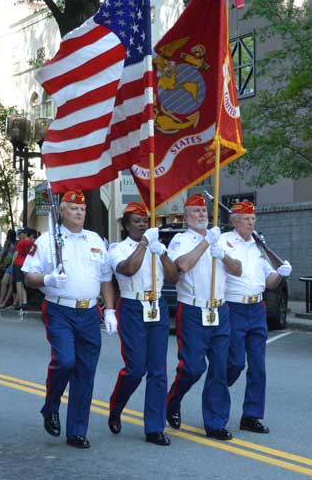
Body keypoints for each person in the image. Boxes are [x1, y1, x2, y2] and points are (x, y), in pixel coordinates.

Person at [23, 190, 116, 449]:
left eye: (82, 209)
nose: (79, 212)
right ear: (61, 211)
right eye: (73, 208)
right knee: (65, 362)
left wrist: (110, 310)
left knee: (85, 373)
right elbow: (29, 277)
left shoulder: (96, 240)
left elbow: (106, 278)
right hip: (59, 310)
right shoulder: (46, 240)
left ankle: (77, 431)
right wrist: (47, 279)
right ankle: (51, 405)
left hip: (88, 312)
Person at [165, 194, 241, 442]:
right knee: (193, 367)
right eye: (196, 211)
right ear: (186, 216)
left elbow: (238, 270)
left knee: (220, 368)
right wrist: (205, 243)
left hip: (219, 310)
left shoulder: (220, 238)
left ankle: (216, 422)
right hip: (193, 310)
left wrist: (223, 254)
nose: (202, 214)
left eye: (203, 210)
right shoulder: (181, 240)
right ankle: (173, 399)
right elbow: (183, 266)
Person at [106, 202, 178, 446]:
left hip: (157, 306)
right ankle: (116, 406)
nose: (143, 224)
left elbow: (174, 276)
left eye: (145, 220)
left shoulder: (156, 246)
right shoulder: (118, 248)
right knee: (136, 368)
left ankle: (154, 428)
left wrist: (162, 252)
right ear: (126, 225)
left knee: (158, 370)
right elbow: (128, 269)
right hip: (132, 306)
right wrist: (145, 244)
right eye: (137, 221)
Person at [222, 201, 291, 435]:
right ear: (234, 220)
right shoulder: (225, 241)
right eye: (246, 218)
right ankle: (217, 394)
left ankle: (251, 416)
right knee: (234, 363)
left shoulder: (259, 246)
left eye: (253, 218)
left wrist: (280, 274)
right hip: (233, 307)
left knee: (258, 367)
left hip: (257, 308)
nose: (252, 221)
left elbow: (269, 281)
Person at [0, 229, 18, 311]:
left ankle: (2, 301)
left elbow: (4, 253)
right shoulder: (16, 242)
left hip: (12, 264)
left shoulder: (8, 242)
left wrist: (1, 261)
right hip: (13, 264)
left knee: (4, 283)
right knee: (8, 284)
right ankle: (3, 301)